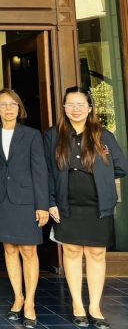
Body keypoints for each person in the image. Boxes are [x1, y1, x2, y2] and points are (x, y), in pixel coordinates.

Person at [45, 86, 127, 329]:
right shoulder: (53, 135)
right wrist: (50, 201)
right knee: (71, 252)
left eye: (81, 104)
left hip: (97, 205)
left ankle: (95, 308)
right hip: (66, 204)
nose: (76, 109)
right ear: (64, 108)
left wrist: (101, 178)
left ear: (90, 108)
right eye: (70, 104)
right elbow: (46, 172)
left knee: (96, 254)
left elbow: (121, 166)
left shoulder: (103, 135)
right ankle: (78, 305)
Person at [0, 89, 48, 329]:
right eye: (3, 105)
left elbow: (40, 171)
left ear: (19, 108)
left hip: (27, 199)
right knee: (9, 249)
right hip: (0, 199)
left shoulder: (32, 135)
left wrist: (42, 205)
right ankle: (18, 298)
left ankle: (30, 302)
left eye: (13, 104)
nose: (8, 109)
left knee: (29, 250)